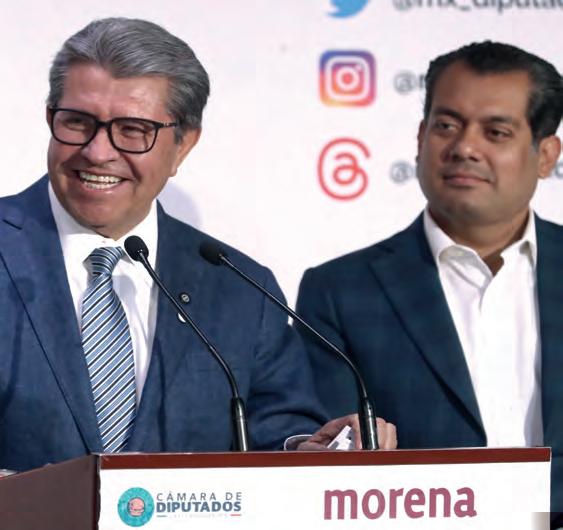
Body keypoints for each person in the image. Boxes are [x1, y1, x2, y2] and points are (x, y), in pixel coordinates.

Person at [0, 17, 395, 472]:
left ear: (183, 145)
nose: (97, 151)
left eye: (132, 130)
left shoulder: (239, 287)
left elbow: (274, 429)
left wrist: (307, 450)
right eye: (77, 122)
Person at [296, 40, 563, 512]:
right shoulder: (340, 292)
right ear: (420, 138)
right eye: (446, 126)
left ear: (545, 155)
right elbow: (327, 454)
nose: (465, 148)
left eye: (495, 132)